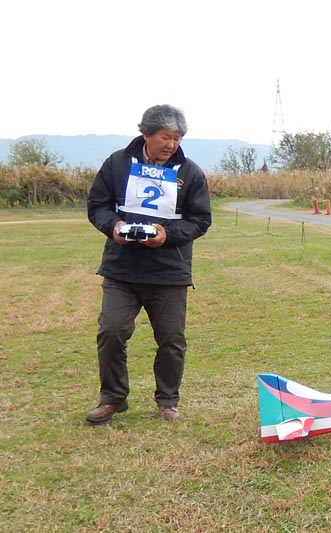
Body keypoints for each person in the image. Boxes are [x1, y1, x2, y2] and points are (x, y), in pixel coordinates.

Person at [85, 104, 212, 423]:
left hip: (169, 272)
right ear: (145, 133)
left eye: (177, 138)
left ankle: (168, 401)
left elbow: (200, 220)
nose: (171, 144)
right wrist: (113, 226)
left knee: (171, 339)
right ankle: (113, 397)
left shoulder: (190, 172)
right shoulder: (117, 163)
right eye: (165, 137)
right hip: (122, 270)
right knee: (112, 331)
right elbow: (97, 205)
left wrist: (167, 235)